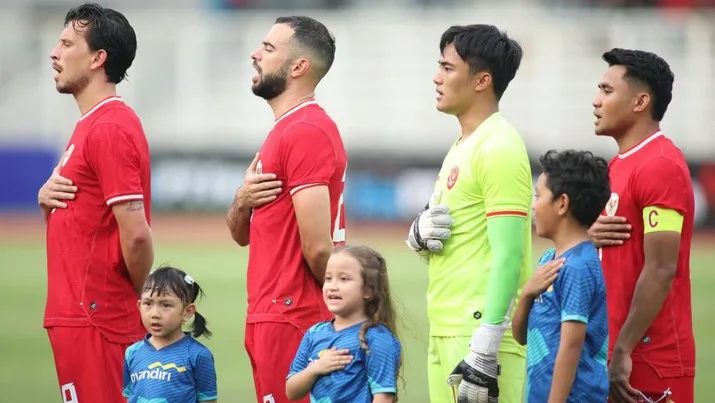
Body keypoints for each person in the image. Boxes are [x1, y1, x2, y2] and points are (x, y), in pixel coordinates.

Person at [405, 24, 532, 403]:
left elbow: (509, 255)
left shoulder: (500, 147)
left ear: (482, 81)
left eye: (447, 67)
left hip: (479, 336)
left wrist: (486, 345)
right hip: (446, 326)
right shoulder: (463, 145)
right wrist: (419, 236)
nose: (436, 76)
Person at [225, 16, 347, 403]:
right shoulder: (284, 131)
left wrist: (340, 312)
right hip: (273, 314)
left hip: (294, 316)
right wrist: (241, 201)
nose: (255, 55)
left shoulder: (305, 131)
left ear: (298, 67)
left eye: (268, 48)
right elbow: (241, 233)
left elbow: (317, 248)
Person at [37, 3, 153, 402]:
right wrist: (46, 203)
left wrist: (134, 296)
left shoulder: (108, 128)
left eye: (67, 43)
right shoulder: (92, 125)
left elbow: (136, 236)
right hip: (82, 316)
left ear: (98, 58)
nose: (55, 52)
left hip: (97, 318)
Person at [590, 48, 695, 403]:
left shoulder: (660, 164)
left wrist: (623, 350)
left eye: (606, 91)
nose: (595, 101)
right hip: (616, 351)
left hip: (649, 361)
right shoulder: (617, 165)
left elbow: (661, 268)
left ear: (640, 102)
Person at [511, 149, 611, 402]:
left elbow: (571, 346)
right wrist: (526, 294)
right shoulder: (548, 260)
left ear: (562, 203)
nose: (533, 205)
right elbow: (521, 337)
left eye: (538, 196)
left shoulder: (579, 267)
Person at [285, 245, 402, 403]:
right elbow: (291, 391)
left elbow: (384, 397)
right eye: (328, 278)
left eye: (344, 279)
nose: (333, 286)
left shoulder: (376, 339)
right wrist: (316, 368)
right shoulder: (314, 333)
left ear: (367, 290)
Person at [123, 266, 218, 403]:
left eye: (166, 305)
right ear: (139, 307)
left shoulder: (198, 355)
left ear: (187, 312)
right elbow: (129, 397)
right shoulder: (132, 353)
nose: (155, 314)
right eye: (148, 303)